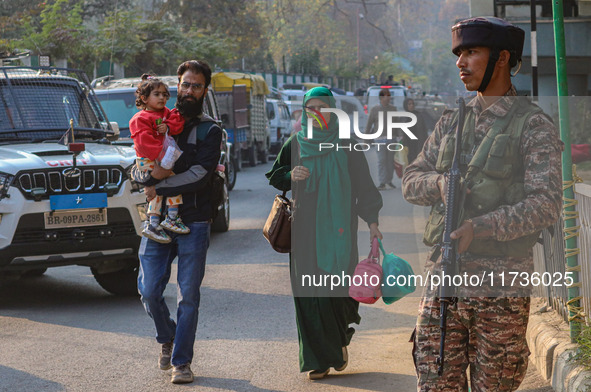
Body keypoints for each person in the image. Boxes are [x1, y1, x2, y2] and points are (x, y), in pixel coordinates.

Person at [402, 17, 562, 392]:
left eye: (471, 52)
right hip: (444, 281)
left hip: (501, 288)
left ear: (502, 58)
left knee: (495, 385)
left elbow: (547, 203)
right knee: (435, 380)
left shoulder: (533, 126)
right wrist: (440, 184)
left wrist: (482, 226)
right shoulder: (450, 122)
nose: (461, 62)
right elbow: (411, 180)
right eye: (459, 53)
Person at [266, 87, 383, 380]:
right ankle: (318, 359)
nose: (316, 113)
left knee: (339, 294)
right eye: (310, 108)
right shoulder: (295, 143)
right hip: (304, 231)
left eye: (322, 107)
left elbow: (365, 188)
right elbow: (275, 175)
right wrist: (290, 175)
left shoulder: (346, 144)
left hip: (340, 231)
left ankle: (339, 339)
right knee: (309, 296)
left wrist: (372, 223)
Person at [134, 60, 222, 384]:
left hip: (194, 221)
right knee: (148, 290)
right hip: (157, 218)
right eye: (185, 84)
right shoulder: (157, 119)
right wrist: (143, 175)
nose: (189, 90)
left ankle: (181, 362)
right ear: (178, 85)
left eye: (196, 86)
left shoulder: (211, 130)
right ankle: (167, 338)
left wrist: (158, 185)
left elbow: (200, 175)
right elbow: (141, 159)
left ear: (204, 91)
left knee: (188, 296)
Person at [130, 74, 188, 244]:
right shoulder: (140, 119)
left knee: (169, 186)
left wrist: (169, 126)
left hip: (164, 160)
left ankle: (167, 219)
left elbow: (178, 123)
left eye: (164, 94)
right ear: (144, 98)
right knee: (156, 190)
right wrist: (162, 158)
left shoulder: (166, 114)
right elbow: (143, 143)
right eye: (157, 94)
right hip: (150, 161)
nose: (162, 98)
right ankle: (156, 222)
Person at [365, 88, 398, 190]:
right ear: (381, 98)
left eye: (389, 96)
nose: (388, 98)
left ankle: (389, 180)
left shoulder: (393, 109)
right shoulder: (375, 109)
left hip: (391, 138)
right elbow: (369, 124)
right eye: (386, 96)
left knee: (390, 161)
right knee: (381, 160)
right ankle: (382, 182)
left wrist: (400, 136)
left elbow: (397, 123)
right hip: (379, 139)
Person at [402, 98, 429, 163]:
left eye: (412, 104)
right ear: (406, 105)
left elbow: (424, 130)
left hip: (418, 143)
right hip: (408, 144)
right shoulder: (403, 117)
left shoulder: (418, 115)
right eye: (409, 104)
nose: (411, 105)